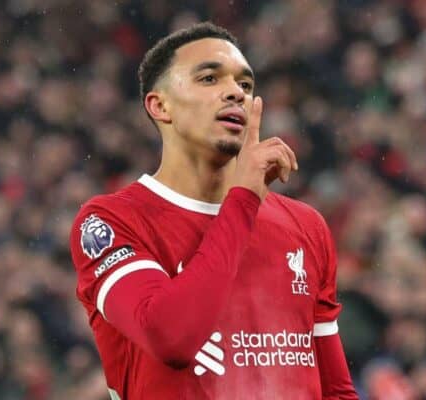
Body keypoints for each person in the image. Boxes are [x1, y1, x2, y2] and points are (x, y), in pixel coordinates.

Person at [70, 22, 358, 399]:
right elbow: (171, 339)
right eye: (209, 79)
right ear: (160, 106)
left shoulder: (305, 225)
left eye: (246, 85)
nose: (235, 93)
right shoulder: (110, 221)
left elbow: (335, 390)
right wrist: (244, 199)